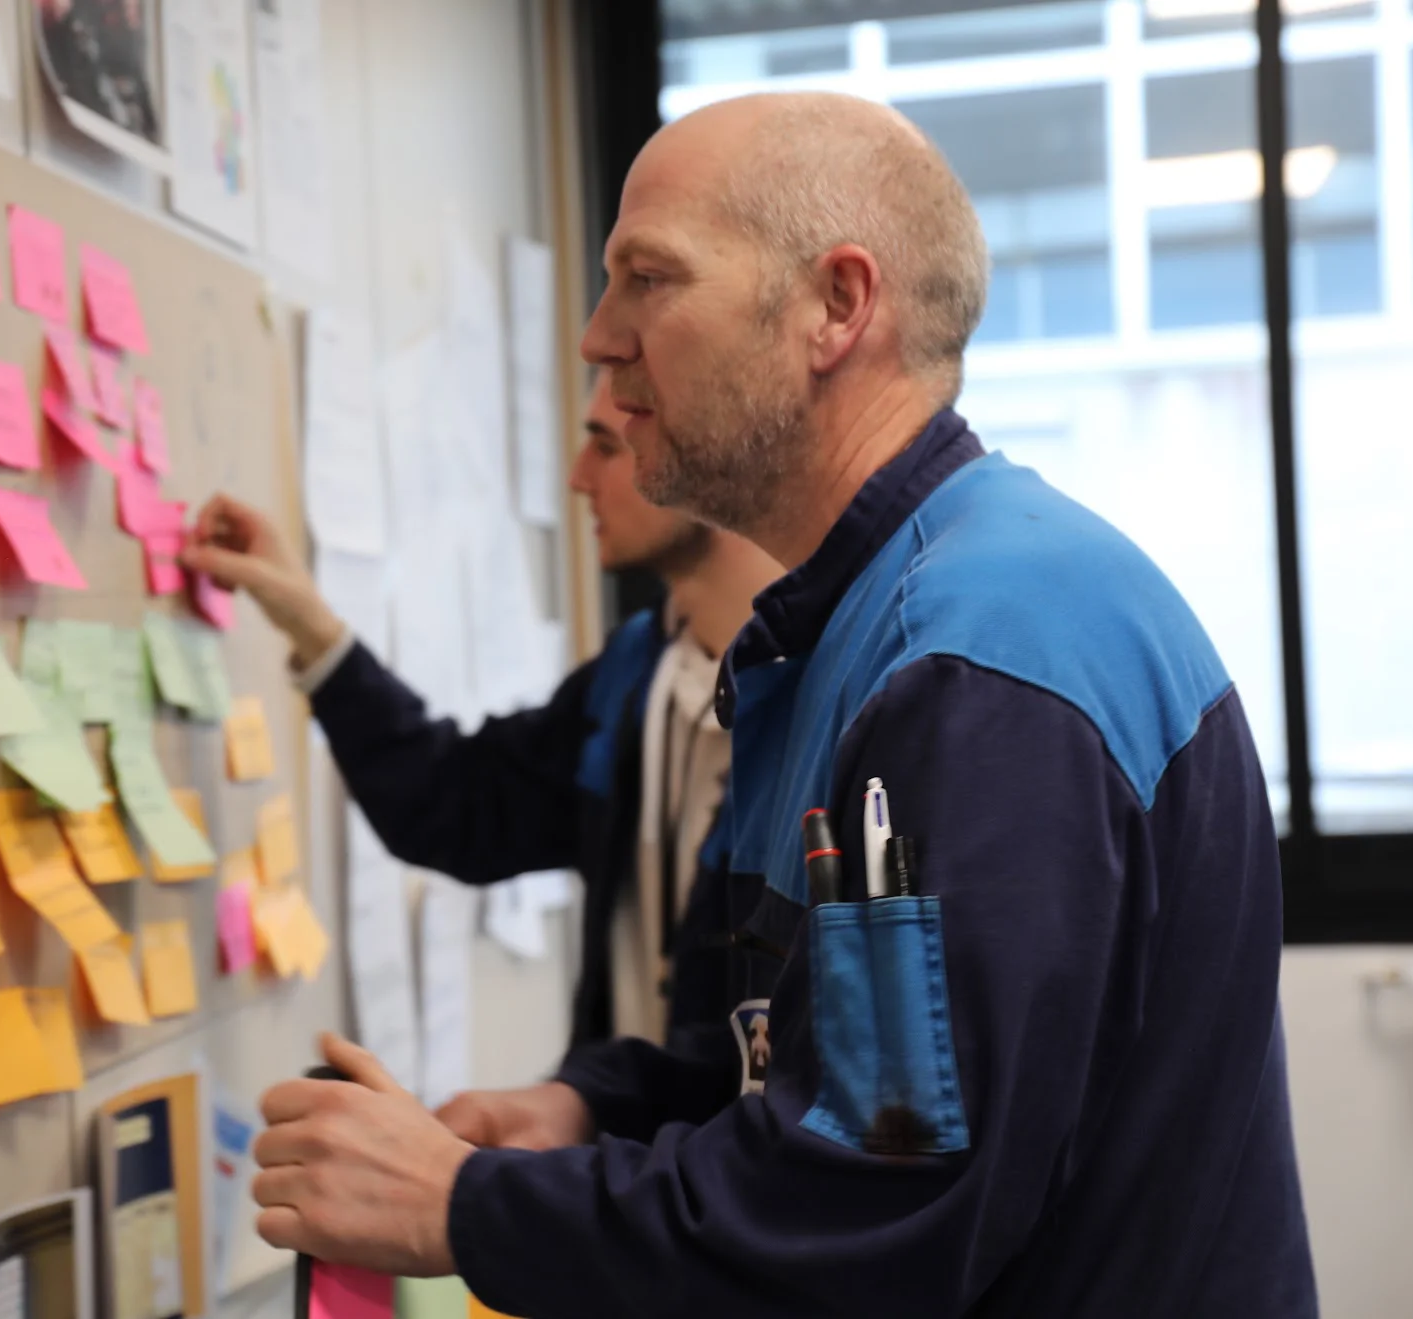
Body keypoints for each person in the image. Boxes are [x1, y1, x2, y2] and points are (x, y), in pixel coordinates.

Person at [244, 89, 1319, 1319]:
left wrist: (459, 1204)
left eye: (648, 278)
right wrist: (595, 1105)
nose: (597, 337)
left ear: (835, 306)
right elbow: (831, 1058)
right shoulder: (848, 635)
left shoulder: (974, 663)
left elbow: (870, 1206)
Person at [183, 372, 783, 1072]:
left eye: (604, 447)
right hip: (616, 1134)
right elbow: (456, 803)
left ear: (708, 452)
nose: (577, 478)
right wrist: (310, 624)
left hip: (723, 1144)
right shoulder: (636, 672)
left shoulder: (824, 701)